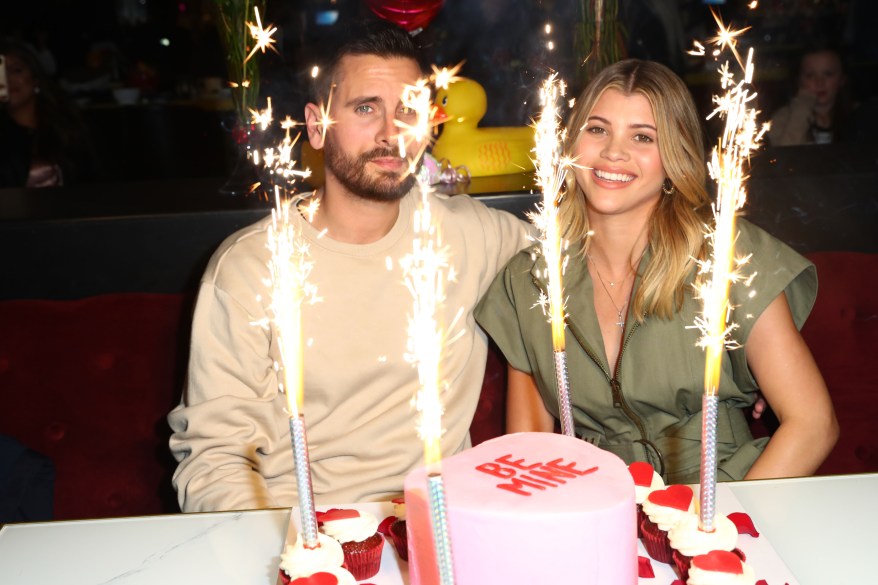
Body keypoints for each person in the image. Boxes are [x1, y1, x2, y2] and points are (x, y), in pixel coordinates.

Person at [167, 22, 534, 512]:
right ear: (317, 127)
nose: (390, 133)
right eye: (366, 108)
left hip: (444, 531)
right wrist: (291, 554)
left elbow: (582, 258)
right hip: (304, 532)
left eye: (408, 110)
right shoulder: (251, 268)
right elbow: (214, 461)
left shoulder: (472, 234)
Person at [475, 59, 838, 484]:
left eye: (643, 136)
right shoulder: (531, 279)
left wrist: (726, 528)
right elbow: (530, 444)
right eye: (597, 129)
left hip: (722, 493)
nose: (614, 151)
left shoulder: (725, 257)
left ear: (674, 157)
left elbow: (813, 424)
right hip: (599, 504)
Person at [0, 40, 97, 188]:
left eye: (16, 70)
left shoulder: (68, 127)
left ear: (35, 79)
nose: (7, 79)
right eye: (0, 74)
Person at [769, 45, 853, 146]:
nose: (820, 83)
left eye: (828, 74)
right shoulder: (783, 117)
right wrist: (802, 108)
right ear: (798, 80)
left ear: (842, 78)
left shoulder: (860, 115)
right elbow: (785, 154)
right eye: (810, 75)